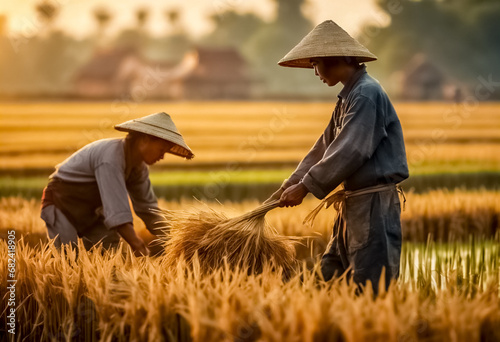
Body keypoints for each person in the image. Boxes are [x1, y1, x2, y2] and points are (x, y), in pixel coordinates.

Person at [265, 20, 409, 294]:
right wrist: (292, 182)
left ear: (334, 59)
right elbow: (324, 146)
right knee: (328, 277)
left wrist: (306, 186)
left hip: (372, 206)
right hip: (353, 206)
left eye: (316, 63)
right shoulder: (348, 97)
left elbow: (351, 149)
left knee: (370, 287)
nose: (315, 71)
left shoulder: (366, 93)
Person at [40, 112, 194, 256]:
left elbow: (148, 210)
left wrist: (176, 238)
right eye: (161, 150)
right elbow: (116, 209)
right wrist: (136, 243)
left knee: (110, 249)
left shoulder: (139, 169)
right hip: (61, 205)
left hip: (91, 213)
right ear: (145, 140)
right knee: (67, 257)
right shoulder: (110, 158)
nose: (162, 156)